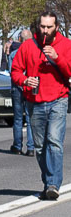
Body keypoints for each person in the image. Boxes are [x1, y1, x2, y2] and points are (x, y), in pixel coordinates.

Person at [10, 12, 71, 201]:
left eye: (49, 27)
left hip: (58, 100)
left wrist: (57, 58)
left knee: (54, 141)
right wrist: (25, 80)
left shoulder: (66, 45)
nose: (45, 31)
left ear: (56, 28)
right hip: (34, 102)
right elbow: (15, 71)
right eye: (42, 27)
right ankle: (47, 182)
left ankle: (53, 183)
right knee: (40, 147)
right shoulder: (28, 46)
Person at [8, 26, 36, 155]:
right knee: (30, 118)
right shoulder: (35, 52)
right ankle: (31, 147)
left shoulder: (14, 54)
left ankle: (17, 145)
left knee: (18, 118)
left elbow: (12, 72)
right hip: (30, 87)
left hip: (17, 88)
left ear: (20, 39)